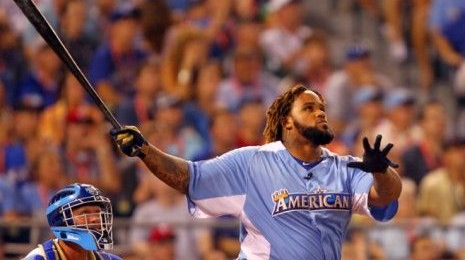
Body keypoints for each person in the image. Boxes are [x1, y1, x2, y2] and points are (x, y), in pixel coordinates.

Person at [110, 84, 402, 259]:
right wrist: (145, 150)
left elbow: (385, 195)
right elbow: (189, 177)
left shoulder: (346, 167)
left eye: (322, 107)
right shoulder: (252, 163)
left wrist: (380, 171)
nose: (321, 112)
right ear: (287, 122)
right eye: (309, 108)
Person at [23, 183, 121, 260]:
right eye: (85, 213)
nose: (95, 218)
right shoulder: (38, 258)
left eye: (97, 212)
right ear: (61, 220)